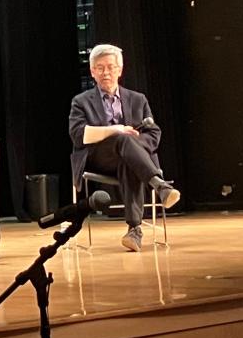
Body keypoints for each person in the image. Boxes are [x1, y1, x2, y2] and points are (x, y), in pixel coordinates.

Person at [68, 43, 179, 251]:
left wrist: (133, 142)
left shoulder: (138, 100)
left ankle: (134, 231)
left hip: (130, 159)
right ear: (92, 72)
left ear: (120, 70)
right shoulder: (81, 102)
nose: (106, 72)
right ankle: (160, 185)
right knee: (123, 139)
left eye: (110, 67)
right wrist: (117, 130)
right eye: (100, 68)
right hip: (98, 157)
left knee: (129, 154)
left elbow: (154, 133)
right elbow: (78, 135)